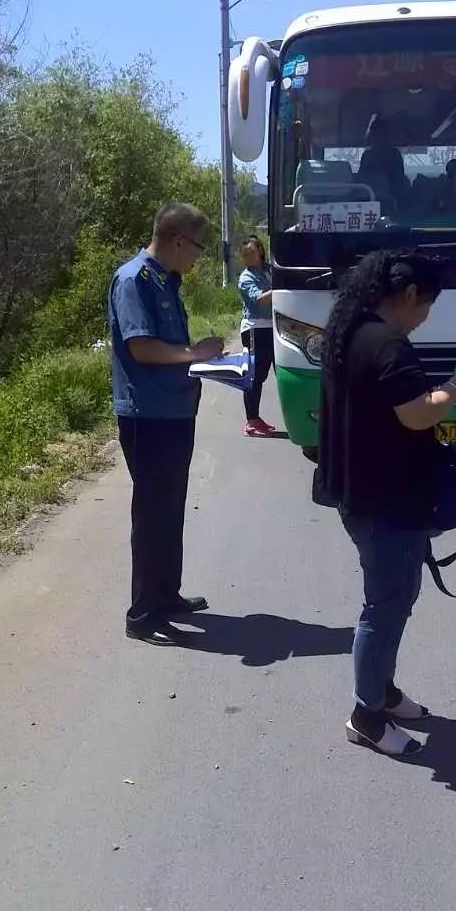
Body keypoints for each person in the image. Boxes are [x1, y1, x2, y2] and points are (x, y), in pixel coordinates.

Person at [314, 250, 456, 757]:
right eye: (425, 305)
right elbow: (416, 415)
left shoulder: (351, 331)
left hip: (360, 492)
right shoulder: (389, 344)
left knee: (394, 599)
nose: (424, 317)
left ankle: (381, 692)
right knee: (385, 608)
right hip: (387, 498)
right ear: (408, 296)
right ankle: (366, 715)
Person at [108, 202, 224, 646]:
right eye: (197, 248)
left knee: (170, 508)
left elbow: (168, 347)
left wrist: (198, 359)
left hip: (174, 409)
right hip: (148, 414)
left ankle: (166, 594)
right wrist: (197, 354)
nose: (198, 257)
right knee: (152, 513)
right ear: (179, 241)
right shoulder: (133, 280)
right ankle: (141, 613)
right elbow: (142, 348)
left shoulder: (165, 279)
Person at [237, 235, 277, 437]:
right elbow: (259, 300)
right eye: (245, 255)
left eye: (251, 253)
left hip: (275, 326)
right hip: (255, 329)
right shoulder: (246, 278)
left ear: (260, 251)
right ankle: (251, 420)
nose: (248, 257)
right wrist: (281, 287)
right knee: (255, 377)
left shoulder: (271, 270)